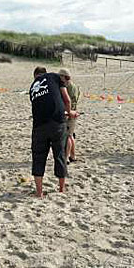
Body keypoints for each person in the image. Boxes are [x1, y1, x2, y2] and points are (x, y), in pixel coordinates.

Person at [29, 66, 78, 197]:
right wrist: (69, 112)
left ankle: (39, 192)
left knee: (38, 157)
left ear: (35, 76)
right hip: (57, 122)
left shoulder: (32, 87)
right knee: (60, 155)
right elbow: (67, 99)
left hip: (39, 125)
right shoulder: (54, 77)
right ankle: (61, 189)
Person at [58, 68, 80, 164]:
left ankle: (66, 157)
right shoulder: (74, 86)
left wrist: (67, 112)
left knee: (67, 136)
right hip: (74, 112)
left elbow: (67, 101)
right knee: (71, 135)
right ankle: (73, 156)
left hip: (69, 113)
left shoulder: (66, 86)